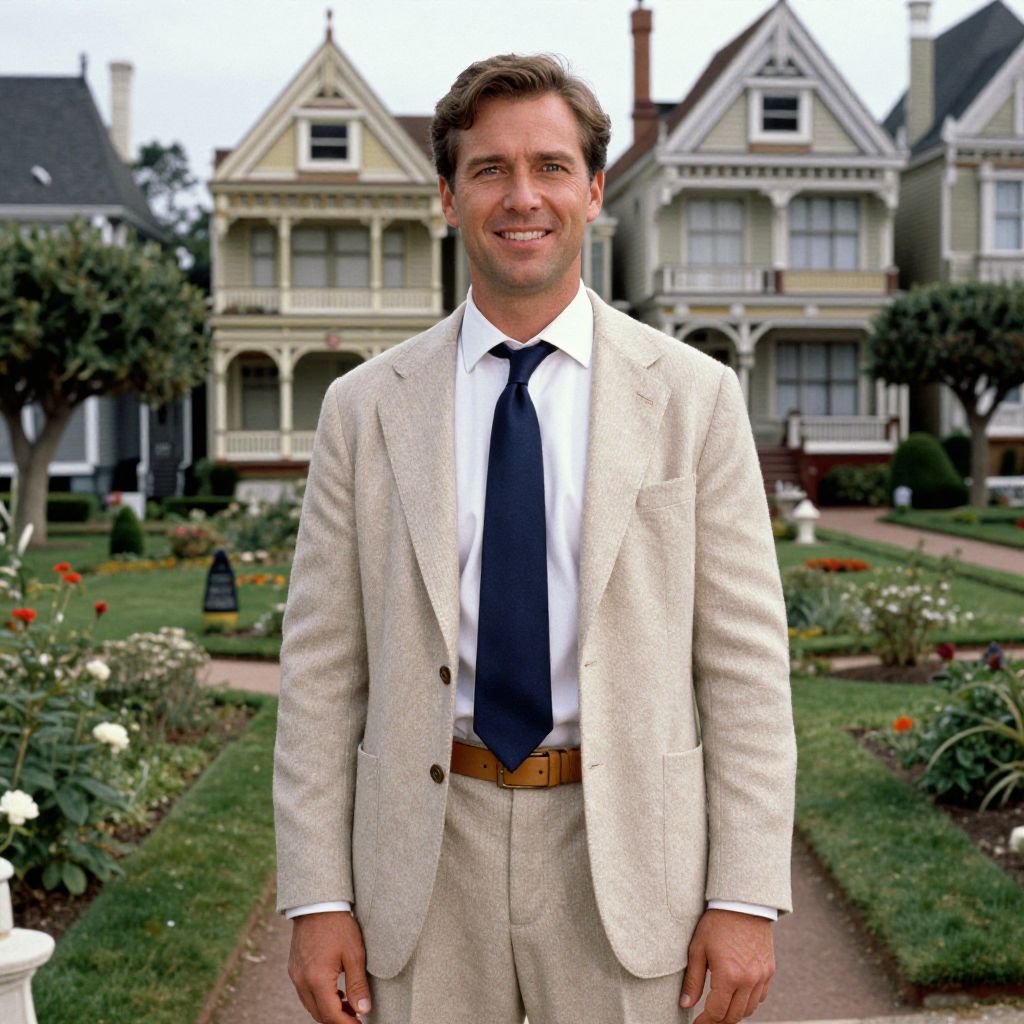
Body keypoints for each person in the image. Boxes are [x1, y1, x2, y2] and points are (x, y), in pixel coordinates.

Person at [274, 53, 796, 1024]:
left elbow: (744, 668)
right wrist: (316, 895)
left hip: (631, 857)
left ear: (595, 190)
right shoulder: (362, 408)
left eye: (551, 167)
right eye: (490, 170)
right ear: (447, 195)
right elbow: (317, 670)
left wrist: (743, 893)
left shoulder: (695, 398)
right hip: (424, 859)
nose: (523, 196)